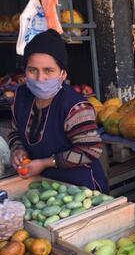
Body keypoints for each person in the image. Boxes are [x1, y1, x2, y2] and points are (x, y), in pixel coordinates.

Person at [8, 29, 108, 192]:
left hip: (80, 191)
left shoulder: (75, 107)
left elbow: (91, 151)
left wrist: (46, 163)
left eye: (48, 70)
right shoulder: (21, 97)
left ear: (62, 74)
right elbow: (15, 132)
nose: (40, 78)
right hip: (41, 187)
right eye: (33, 70)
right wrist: (18, 149)